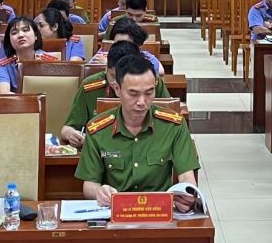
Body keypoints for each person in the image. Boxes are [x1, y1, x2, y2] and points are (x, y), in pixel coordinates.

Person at [77, 54, 200, 209]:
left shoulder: (174, 125)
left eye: (149, 93)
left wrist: (187, 194)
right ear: (117, 89)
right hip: (115, 211)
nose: (142, 102)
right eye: (133, 94)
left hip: (159, 211)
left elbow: (187, 176)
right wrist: (99, 192)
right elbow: (89, 184)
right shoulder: (98, 129)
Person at [60, 42, 173, 147]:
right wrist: (72, 135)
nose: (118, 83)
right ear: (106, 69)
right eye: (114, 76)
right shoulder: (90, 87)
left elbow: (171, 122)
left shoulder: (152, 84)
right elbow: (67, 129)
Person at [0, 17, 61, 94]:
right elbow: (4, 94)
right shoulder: (4, 65)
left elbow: (57, 92)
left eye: (25, 30)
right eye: (14, 33)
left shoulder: (50, 62)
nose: (20, 35)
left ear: (36, 35)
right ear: (9, 40)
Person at [87, 18, 165, 75]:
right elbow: (86, 70)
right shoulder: (104, 54)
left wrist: (111, 65)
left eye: (126, 45)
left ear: (138, 48)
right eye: (117, 44)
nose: (121, 48)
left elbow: (160, 71)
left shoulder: (145, 57)